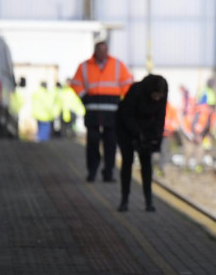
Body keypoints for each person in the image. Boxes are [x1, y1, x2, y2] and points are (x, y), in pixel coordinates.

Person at [70, 41, 133, 182]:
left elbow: (128, 85)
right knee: (92, 143)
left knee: (110, 144)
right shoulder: (84, 66)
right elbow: (75, 84)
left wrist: (124, 103)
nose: (102, 53)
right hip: (92, 112)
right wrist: (84, 97)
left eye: (105, 50)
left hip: (112, 113)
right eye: (100, 50)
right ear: (95, 51)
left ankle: (108, 173)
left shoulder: (117, 65)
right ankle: (92, 172)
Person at [116, 74, 168, 212]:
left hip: (146, 130)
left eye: (160, 96)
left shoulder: (162, 94)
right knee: (127, 162)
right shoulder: (136, 90)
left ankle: (149, 202)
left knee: (146, 165)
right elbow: (127, 115)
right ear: (151, 91)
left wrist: (156, 137)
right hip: (126, 129)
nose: (157, 99)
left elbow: (161, 116)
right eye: (155, 95)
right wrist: (138, 133)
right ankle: (124, 200)